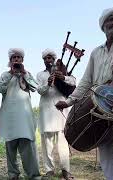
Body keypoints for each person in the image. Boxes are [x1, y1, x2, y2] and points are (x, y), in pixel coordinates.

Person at [55, 7, 113, 180]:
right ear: (103, 25)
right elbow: (86, 81)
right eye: (110, 19)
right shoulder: (96, 52)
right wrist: (69, 101)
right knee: (107, 160)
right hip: (100, 112)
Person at [0, 48, 41, 180]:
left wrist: (24, 73)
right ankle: (13, 175)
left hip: (24, 118)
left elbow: (35, 87)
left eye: (19, 58)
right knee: (10, 148)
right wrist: (11, 73)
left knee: (28, 147)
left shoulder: (27, 74)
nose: (16, 59)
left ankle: (34, 175)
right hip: (9, 117)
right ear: (10, 61)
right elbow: (0, 88)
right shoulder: (5, 75)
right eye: (14, 58)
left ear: (22, 60)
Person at [36, 49, 75, 179]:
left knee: (63, 142)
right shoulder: (40, 75)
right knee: (47, 143)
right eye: (46, 58)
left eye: (50, 58)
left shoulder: (62, 70)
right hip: (46, 110)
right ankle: (49, 170)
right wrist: (47, 83)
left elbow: (73, 82)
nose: (48, 60)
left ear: (54, 59)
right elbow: (40, 91)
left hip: (60, 109)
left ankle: (66, 170)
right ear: (43, 60)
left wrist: (62, 77)